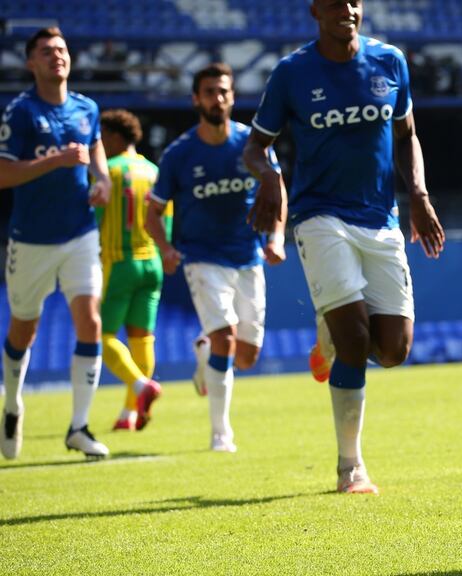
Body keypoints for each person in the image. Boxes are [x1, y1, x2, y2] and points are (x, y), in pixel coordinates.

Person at [245, 0, 445, 494]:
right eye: (335, 2)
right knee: (356, 343)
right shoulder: (292, 72)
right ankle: (350, 467)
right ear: (316, 9)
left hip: (381, 219)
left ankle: (328, 336)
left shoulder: (389, 61)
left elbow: (407, 136)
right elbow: (254, 146)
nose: (347, 9)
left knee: (394, 350)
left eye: (354, 1)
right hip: (318, 216)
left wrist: (418, 193)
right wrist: (269, 175)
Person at [145, 63, 286, 453]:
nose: (217, 98)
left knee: (247, 356)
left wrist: (276, 237)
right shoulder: (179, 154)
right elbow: (151, 214)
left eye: (223, 91)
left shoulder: (251, 145)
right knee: (225, 337)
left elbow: (278, 190)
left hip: (248, 256)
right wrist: (167, 248)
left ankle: (204, 354)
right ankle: (221, 434)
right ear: (196, 99)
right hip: (202, 258)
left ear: (232, 96)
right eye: (209, 92)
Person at [0, 27, 112, 460]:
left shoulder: (87, 108)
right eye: (46, 51)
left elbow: (96, 147)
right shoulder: (20, 113)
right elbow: (3, 173)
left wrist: (101, 180)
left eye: (61, 50)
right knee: (24, 328)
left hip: (80, 232)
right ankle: (12, 404)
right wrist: (55, 161)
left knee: (91, 321)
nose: (56, 56)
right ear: (31, 63)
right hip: (31, 240)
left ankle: (79, 427)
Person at [97, 109, 165, 432]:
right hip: (152, 262)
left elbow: (94, 218)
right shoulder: (154, 172)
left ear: (113, 136)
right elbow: (165, 221)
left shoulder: (107, 171)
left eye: (101, 136)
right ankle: (131, 414)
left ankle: (141, 387)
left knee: (103, 336)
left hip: (118, 261)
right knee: (142, 339)